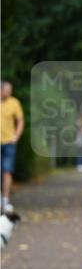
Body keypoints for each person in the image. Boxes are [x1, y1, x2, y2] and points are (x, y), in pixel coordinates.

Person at [1, 81, 24, 214]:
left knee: (7, 171)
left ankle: (6, 200)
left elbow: (20, 120)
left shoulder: (14, 102)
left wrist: (16, 135)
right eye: (7, 90)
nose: (9, 92)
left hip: (9, 142)